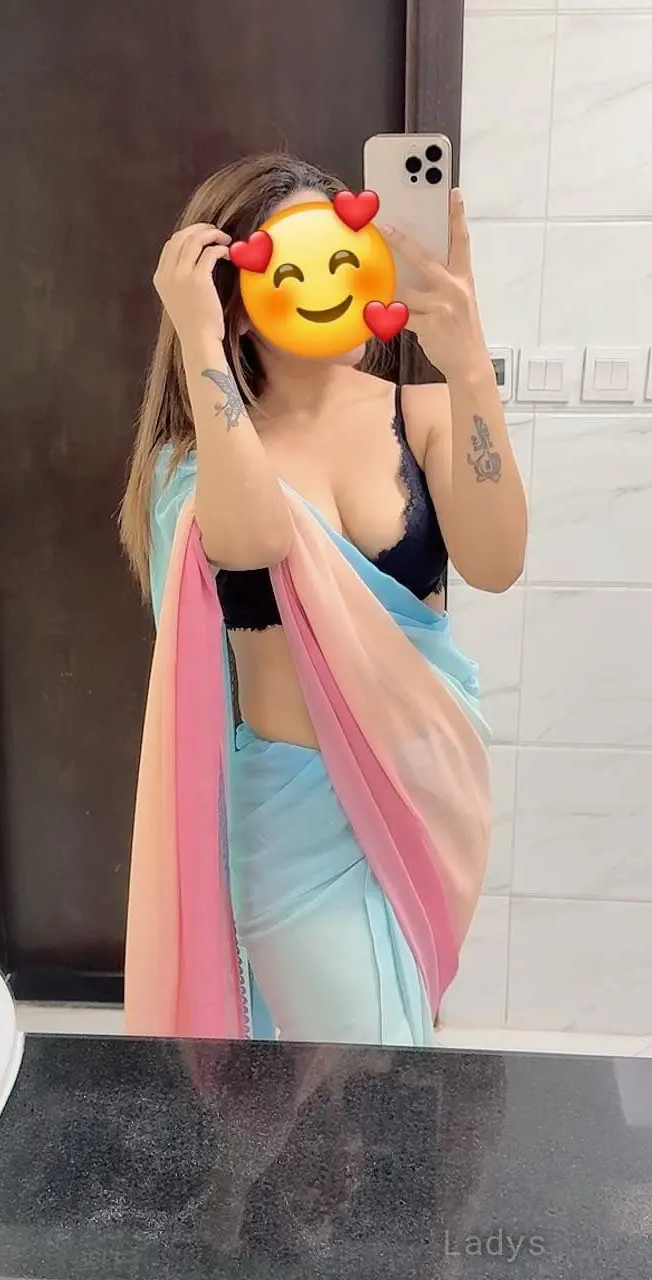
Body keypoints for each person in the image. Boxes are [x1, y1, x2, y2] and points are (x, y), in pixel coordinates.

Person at [120, 152, 527, 1047]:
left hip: (427, 787)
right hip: (293, 819)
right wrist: (200, 345)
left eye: (349, 258)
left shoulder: (421, 414)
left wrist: (467, 362)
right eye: (299, 267)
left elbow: (498, 562)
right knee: (369, 1063)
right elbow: (257, 540)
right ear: (236, 298)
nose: (332, 284)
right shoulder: (198, 463)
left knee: (372, 1069)